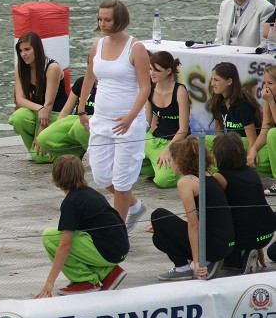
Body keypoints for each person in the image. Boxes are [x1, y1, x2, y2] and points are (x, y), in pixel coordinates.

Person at [78, 0, 150, 231]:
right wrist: (81, 108)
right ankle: (135, 206)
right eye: (100, 19)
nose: (102, 24)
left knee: (122, 180)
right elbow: (89, 78)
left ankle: (117, 232)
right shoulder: (96, 45)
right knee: (100, 175)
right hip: (101, 119)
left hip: (127, 123)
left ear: (119, 19)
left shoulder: (135, 48)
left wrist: (130, 116)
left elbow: (145, 87)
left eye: (107, 19)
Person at [36, 155, 128, 297]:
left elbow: (64, 246)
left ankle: (86, 280)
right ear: (81, 173)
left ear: (56, 177)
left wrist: (49, 282)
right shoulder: (91, 193)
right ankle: (108, 273)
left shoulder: (71, 202)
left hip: (108, 251)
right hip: (119, 248)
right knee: (77, 234)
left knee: (50, 237)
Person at [149, 137, 233, 281]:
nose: (170, 165)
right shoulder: (210, 175)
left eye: (171, 160)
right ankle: (196, 262)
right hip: (226, 244)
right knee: (158, 236)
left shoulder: (186, 182)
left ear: (180, 160)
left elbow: (194, 225)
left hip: (212, 247)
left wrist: (198, 263)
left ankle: (184, 267)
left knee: (158, 216)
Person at [212, 132, 275, 272]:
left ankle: (241, 255)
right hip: (267, 230)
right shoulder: (252, 172)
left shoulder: (220, 177)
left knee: (217, 220)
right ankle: (248, 250)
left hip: (244, 235)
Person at [8, 31, 67, 163]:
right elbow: (20, 99)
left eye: (27, 49)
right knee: (18, 117)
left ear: (38, 49)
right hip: (39, 112)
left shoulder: (52, 68)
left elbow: (49, 104)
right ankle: (33, 149)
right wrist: (39, 109)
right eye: (21, 50)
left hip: (56, 114)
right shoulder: (20, 69)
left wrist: (40, 133)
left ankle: (64, 151)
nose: (23, 54)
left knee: (40, 159)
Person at [143, 51, 189, 188]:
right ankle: (154, 164)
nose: (152, 73)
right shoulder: (149, 90)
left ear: (169, 71)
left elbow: (183, 129)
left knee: (163, 181)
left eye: (157, 70)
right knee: (124, 164)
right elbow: (146, 124)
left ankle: (160, 167)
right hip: (154, 140)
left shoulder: (179, 91)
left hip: (175, 142)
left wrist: (167, 150)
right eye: (151, 69)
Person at [206, 62, 261, 172]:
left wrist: (248, 166)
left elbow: (252, 139)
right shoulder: (218, 101)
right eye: (212, 79)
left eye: (216, 80)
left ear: (229, 81)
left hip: (243, 143)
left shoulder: (242, 105)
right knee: (205, 140)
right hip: (230, 143)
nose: (212, 83)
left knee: (236, 142)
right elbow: (219, 133)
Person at [35, 73, 95, 161]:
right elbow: (66, 111)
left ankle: (97, 157)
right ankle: (75, 155)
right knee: (43, 139)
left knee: (79, 127)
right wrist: (52, 130)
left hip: (91, 123)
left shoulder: (110, 86)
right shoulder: (81, 82)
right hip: (75, 120)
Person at [255, 66, 276, 190]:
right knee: (254, 160)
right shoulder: (269, 101)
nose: (266, 87)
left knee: (273, 134)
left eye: (271, 83)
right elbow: (265, 129)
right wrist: (253, 150)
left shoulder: (270, 100)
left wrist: (271, 102)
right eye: (265, 83)